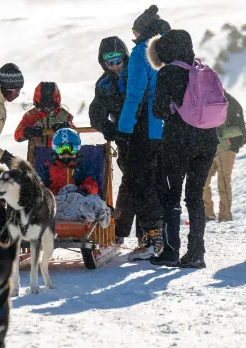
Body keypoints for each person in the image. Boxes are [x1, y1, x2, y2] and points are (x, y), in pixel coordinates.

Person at [147, 29, 219, 268]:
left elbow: (158, 110)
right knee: (195, 196)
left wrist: (171, 109)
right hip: (208, 140)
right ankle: (197, 253)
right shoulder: (202, 69)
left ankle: (171, 251)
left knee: (171, 196)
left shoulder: (168, 72)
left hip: (179, 140)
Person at [117, 4, 170, 261]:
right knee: (160, 183)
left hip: (146, 128)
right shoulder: (171, 50)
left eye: (136, 30)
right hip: (170, 129)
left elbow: (135, 94)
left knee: (139, 180)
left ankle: (152, 238)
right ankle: (167, 240)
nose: (134, 35)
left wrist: (123, 128)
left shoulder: (141, 53)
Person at [89, 36, 140, 245]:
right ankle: (119, 231)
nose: (114, 66)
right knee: (130, 182)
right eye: (108, 62)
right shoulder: (103, 85)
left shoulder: (137, 73)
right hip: (124, 138)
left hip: (146, 134)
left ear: (125, 57)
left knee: (149, 184)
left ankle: (150, 233)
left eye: (117, 60)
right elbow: (96, 112)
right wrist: (107, 127)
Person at [39, 128, 113, 227]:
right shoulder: (47, 167)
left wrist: (84, 191)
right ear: (55, 150)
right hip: (56, 200)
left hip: (79, 198)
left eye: (71, 149)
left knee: (94, 201)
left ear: (77, 149)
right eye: (61, 150)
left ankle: (78, 219)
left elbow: (91, 183)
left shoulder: (82, 166)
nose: (66, 154)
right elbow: (40, 186)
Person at [203, 91, 245, 222]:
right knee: (202, 182)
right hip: (210, 150)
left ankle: (225, 216)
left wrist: (221, 133)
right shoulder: (204, 101)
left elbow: (241, 130)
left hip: (227, 150)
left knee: (223, 183)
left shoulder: (231, 103)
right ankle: (208, 214)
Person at [14, 82, 74, 163]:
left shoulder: (64, 116)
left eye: (50, 103)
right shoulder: (31, 116)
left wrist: (68, 129)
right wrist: (26, 131)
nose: (47, 107)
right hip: (36, 160)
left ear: (56, 100)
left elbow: (76, 135)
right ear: (37, 101)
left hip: (59, 162)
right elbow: (17, 135)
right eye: (43, 103)